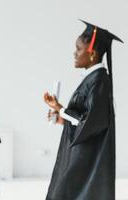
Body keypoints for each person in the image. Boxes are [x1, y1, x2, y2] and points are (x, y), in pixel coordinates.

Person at [44, 20, 123, 200]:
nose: (74, 53)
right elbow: (85, 119)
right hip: (81, 155)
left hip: (87, 159)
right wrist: (62, 118)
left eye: (78, 49)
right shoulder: (92, 79)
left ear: (92, 53)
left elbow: (91, 122)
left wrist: (61, 108)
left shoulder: (99, 81)